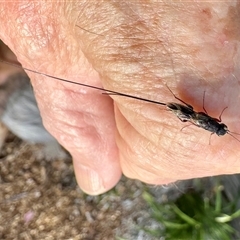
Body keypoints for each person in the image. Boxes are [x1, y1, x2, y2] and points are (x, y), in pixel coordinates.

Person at [0, 2, 239, 195]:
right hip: (191, 114)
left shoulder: (211, 123)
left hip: (191, 114)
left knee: (186, 112)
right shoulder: (211, 124)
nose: (219, 127)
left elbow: (203, 116)